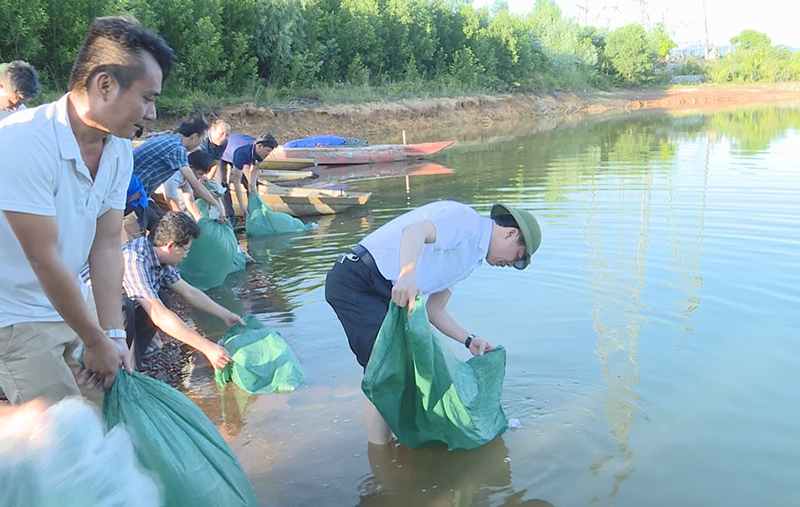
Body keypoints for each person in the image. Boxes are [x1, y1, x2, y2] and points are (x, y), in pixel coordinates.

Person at [0, 16, 175, 405]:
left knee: (103, 414)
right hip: (17, 315)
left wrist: (112, 334)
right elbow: (42, 258)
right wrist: (95, 338)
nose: (152, 115)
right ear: (105, 84)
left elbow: (108, 243)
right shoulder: (21, 142)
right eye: (148, 98)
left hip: (72, 301)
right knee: (66, 440)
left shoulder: (116, 151)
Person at [325, 200, 542, 444]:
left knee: (399, 371)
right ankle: (380, 464)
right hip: (358, 280)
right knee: (385, 372)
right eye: (519, 257)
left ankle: (394, 443)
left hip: (387, 292)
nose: (512, 264)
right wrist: (407, 274)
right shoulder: (466, 221)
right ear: (511, 233)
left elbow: (434, 310)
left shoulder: (470, 260)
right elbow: (414, 232)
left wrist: (469, 340)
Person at [106, 211, 240, 370]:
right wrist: (207, 348)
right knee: (125, 306)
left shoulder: (159, 259)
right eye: (186, 250)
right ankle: (114, 367)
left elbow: (189, 292)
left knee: (161, 299)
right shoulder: (135, 258)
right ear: (170, 246)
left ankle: (131, 365)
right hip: (93, 311)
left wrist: (225, 314)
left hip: (117, 311)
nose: (185, 256)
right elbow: (158, 315)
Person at [132, 117, 226, 227]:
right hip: (129, 194)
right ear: (194, 136)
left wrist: (200, 223)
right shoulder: (177, 149)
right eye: (202, 138)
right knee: (145, 232)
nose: (200, 144)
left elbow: (189, 198)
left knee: (159, 228)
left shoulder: (170, 140)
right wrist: (217, 206)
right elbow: (195, 185)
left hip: (140, 195)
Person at [220, 132, 278, 218]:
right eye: (267, 151)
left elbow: (255, 168)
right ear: (259, 146)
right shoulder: (241, 153)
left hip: (240, 152)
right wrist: (242, 205)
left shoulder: (261, 152)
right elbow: (236, 182)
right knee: (223, 185)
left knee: (252, 185)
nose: (267, 154)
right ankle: (230, 216)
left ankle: (254, 212)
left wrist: (252, 184)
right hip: (224, 154)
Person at [153, 150, 212, 221]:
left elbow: (190, 201)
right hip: (153, 194)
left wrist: (200, 221)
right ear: (190, 167)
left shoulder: (186, 177)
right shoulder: (174, 176)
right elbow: (174, 206)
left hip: (164, 196)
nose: (199, 178)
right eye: (199, 174)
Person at [200, 119, 233, 220]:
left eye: (227, 135)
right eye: (221, 133)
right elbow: (194, 165)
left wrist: (208, 180)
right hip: (192, 170)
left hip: (205, 170)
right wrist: (201, 184)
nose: (223, 138)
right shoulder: (202, 141)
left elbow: (216, 162)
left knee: (217, 190)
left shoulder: (223, 143)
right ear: (212, 130)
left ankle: (221, 216)